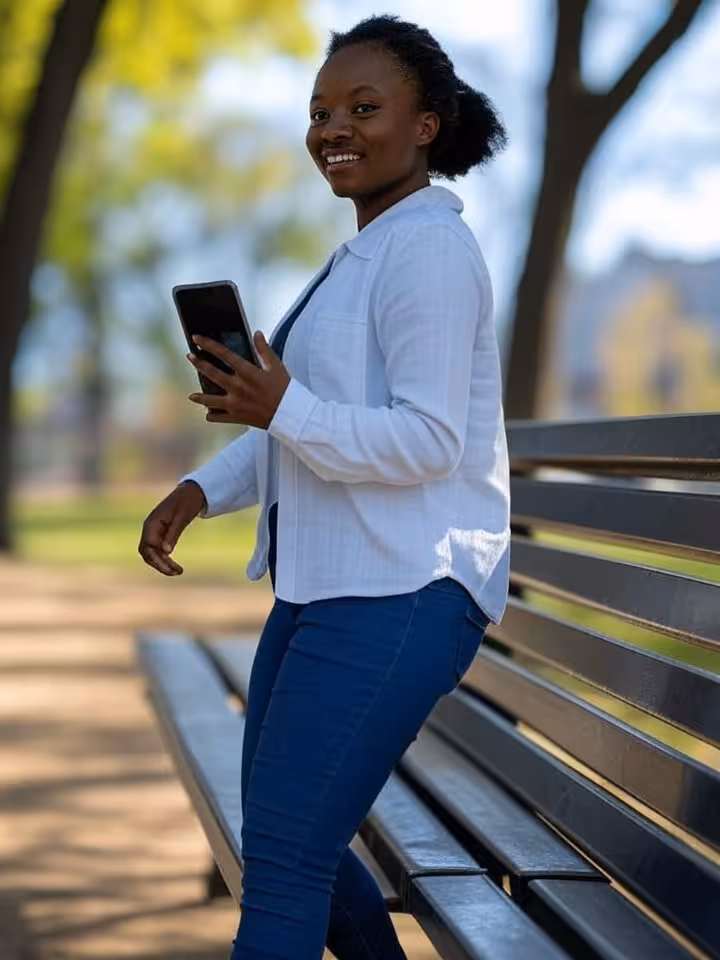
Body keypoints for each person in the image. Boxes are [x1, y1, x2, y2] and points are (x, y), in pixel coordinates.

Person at [139, 14, 510, 960]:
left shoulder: (428, 252)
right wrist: (199, 489)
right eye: (320, 111)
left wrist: (285, 408)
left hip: (405, 589)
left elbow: (429, 441)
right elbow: (298, 426)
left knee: (284, 863)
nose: (333, 128)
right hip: (328, 588)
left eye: (362, 108)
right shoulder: (364, 254)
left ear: (425, 126)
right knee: (284, 844)